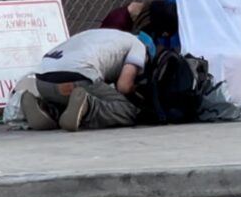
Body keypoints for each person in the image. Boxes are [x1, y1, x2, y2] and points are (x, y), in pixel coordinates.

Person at [19, 29, 156, 131]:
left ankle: (48, 109)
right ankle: (88, 108)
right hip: (78, 77)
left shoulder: (106, 35)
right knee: (128, 110)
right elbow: (123, 86)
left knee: (73, 101)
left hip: (43, 80)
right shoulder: (139, 45)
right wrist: (136, 89)